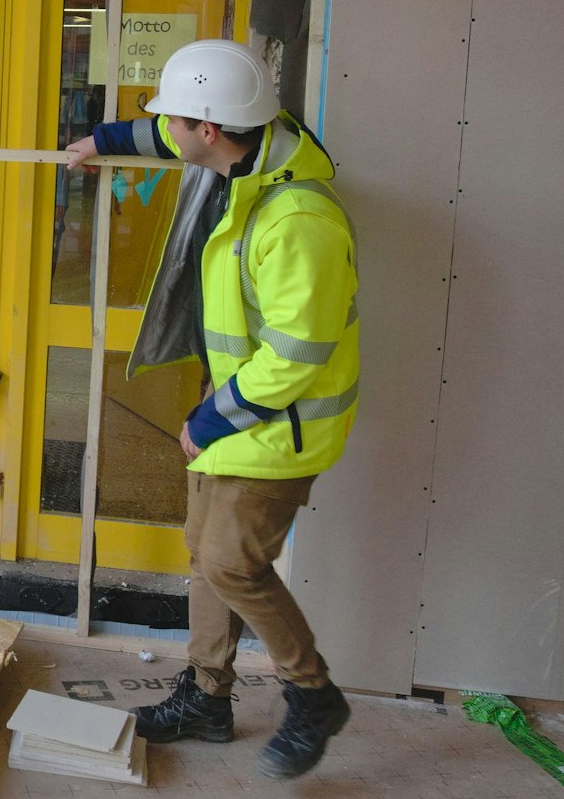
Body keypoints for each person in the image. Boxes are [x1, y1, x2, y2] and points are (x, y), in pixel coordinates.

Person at [61, 39, 360, 781]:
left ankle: (313, 694)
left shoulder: (297, 220)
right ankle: (206, 696)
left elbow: (296, 355)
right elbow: (165, 135)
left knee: (232, 562)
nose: (169, 131)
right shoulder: (240, 152)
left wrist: (211, 419)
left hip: (278, 424)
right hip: (239, 407)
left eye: (179, 120)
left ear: (211, 129)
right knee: (206, 553)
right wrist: (100, 141)